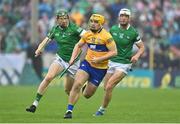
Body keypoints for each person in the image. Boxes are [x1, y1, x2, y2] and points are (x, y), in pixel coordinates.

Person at [26, 9, 86, 113]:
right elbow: (45, 41)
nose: (64, 21)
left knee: (69, 90)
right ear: (57, 20)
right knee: (48, 77)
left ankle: (71, 107)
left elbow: (87, 35)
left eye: (65, 18)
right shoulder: (55, 29)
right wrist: (39, 49)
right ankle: (34, 104)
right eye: (61, 19)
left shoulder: (74, 28)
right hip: (61, 59)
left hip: (73, 62)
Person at [63, 14, 118, 119]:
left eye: (96, 22)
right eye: (91, 21)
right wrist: (72, 58)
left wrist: (100, 59)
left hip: (100, 69)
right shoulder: (87, 34)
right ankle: (69, 110)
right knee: (77, 84)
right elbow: (78, 45)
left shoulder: (107, 36)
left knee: (87, 95)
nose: (93, 24)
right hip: (87, 64)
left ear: (101, 24)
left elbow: (114, 52)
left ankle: (85, 87)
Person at [94, 8, 145, 116]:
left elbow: (142, 47)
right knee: (106, 87)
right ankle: (103, 107)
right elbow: (107, 43)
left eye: (126, 16)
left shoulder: (133, 32)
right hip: (111, 62)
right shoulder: (113, 29)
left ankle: (101, 110)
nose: (123, 18)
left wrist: (136, 55)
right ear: (118, 17)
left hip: (124, 64)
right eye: (121, 15)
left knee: (109, 86)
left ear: (129, 18)